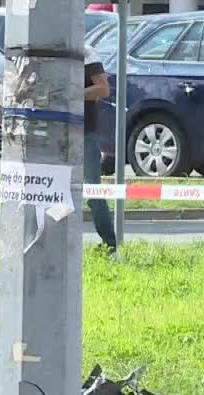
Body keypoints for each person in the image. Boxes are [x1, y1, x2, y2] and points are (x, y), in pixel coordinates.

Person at [84, 45, 118, 255]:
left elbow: (103, 89)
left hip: (84, 133)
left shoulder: (86, 53)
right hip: (54, 134)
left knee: (92, 191)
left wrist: (70, 95)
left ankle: (110, 244)